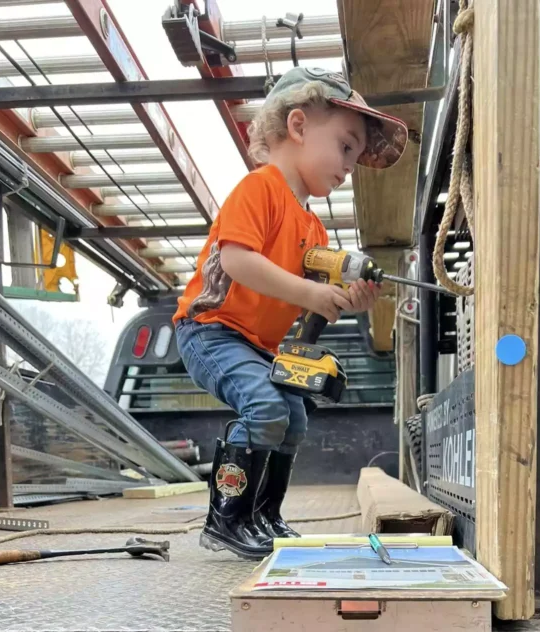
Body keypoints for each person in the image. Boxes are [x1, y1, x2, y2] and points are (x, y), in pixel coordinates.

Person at [173, 66, 408, 559]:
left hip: (260, 345)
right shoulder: (259, 189)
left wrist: (347, 300)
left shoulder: (315, 232)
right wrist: (309, 291)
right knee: (264, 406)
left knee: (294, 417)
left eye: (356, 156)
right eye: (345, 146)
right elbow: (238, 261)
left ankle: (264, 516)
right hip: (211, 331)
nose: (350, 165)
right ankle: (227, 521)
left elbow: (310, 308)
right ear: (298, 127)